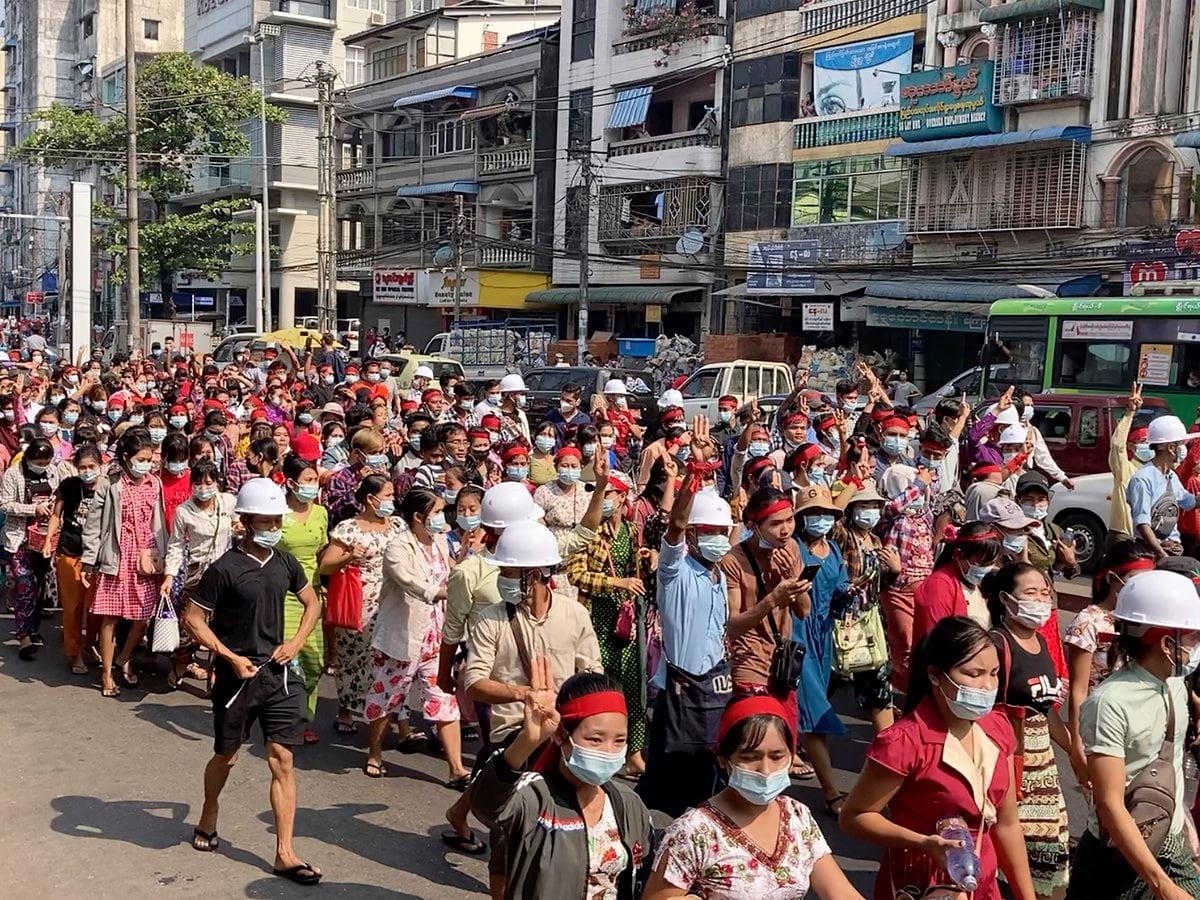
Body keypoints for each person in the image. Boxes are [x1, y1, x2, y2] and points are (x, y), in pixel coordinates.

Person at [182, 478, 323, 885]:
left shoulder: (285, 562)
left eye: (277, 520)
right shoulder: (224, 569)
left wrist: (295, 642)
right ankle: (209, 813)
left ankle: (285, 852)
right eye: (265, 521)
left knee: (283, 758)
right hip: (236, 678)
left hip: (279, 676)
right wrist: (228, 656)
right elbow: (194, 618)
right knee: (227, 756)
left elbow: (312, 602)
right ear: (244, 521)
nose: (273, 527)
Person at [840, 616, 1037, 900]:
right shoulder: (904, 741)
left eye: (994, 673)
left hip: (981, 879)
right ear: (934, 675)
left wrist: (1025, 897)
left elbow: (1007, 823)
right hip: (923, 882)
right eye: (973, 674)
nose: (986, 685)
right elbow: (855, 817)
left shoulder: (998, 727)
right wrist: (922, 842)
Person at [463, 520, 602, 897]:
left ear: (536, 574)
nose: (503, 579)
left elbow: (592, 675)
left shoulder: (575, 615)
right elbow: (473, 681)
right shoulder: (491, 616)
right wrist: (522, 694)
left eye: (509, 572)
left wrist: (563, 706)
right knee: (505, 838)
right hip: (513, 737)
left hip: (564, 738)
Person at [645, 695, 863, 900]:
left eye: (777, 756)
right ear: (723, 759)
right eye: (750, 757)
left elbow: (841, 893)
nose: (765, 769)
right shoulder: (692, 833)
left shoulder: (797, 816)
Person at [1068, 570, 1200, 899]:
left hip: (1169, 844)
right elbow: (1109, 804)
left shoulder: (1174, 683)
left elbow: (1166, 764)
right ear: (1167, 642)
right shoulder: (1109, 703)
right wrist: (1161, 884)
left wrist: (1183, 823)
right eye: (1194, 636)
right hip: (1115, 858)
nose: (1198, 644)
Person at [470, 669, 656, 900]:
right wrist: (527, 741)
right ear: (560, 735)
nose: (609, 751)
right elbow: (485, 805)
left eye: (620, 740)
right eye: (595, 739)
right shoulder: (534, 797)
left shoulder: (629, 805)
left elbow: (645, 877)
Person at [637, 418, 733, 818]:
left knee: (711, 783)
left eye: (723, 531)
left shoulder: (720, 573)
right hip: (682, 693)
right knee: (675, 791)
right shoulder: (675, 570)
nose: (720, 538)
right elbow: (676, 524)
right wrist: (693, 474)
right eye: (710, 531)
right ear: (693, 535)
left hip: (716, 687)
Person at [364, 488, 469, 788]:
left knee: (444, 698)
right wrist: (439, 593)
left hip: (437, 637)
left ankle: (456, 768)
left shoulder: (438, 542)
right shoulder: (398, 547)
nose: (441, 518)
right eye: (436, 513)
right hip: (404, 635)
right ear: (417, 517)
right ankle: (375, 753)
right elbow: (406, 580)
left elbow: (449, 573)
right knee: (388, 696)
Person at [983, 563, 1071, 898]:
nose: (1041, 600)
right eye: (1030, 593)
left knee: (1044, 855)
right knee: (1007, 849)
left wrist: (1075, 757)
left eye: (1045, 592)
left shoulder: (1041, 643)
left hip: (1042, 766)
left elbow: (1047, 712)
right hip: (1009, 761)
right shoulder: (996, 644)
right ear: (1005, 598)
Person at [565, 469, 652, 775]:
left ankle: (634, 752)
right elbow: (576, 574)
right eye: (598, 494)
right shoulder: (590, 531)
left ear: (623, 497)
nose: (601, 500)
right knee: (602, 684)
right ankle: (600, 745)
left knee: (633, 685)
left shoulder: (631, 530)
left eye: (608, 494)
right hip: (598, 618)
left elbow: (638, 578)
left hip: (626, 619)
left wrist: (645, 561)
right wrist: (617, 582)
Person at [82, 427, 167, 697]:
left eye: (151, 458)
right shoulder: (111, 483)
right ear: (127, 457)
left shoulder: (155, 482)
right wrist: (88, 560)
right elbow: (94, 523)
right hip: (117, 556)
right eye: (142, 459)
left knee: (142, 617)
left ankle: (124, 657)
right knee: (110, 618)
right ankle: (107, 673)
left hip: (147, 558)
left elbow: (160, 522)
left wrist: (165, 559)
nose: (147, 463)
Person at [1063, 540, 1155, 786]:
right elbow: (1079, 689)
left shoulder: (1144, 620)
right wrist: (1077, 746)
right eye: (1135, 580)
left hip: (1139, 726)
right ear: (1113, 579)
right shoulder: (1089, 622)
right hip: (1102, 727)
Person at [318, 473, 402, 732]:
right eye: (388, 495)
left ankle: (392, 714)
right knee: (354, 657)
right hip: (359, 602)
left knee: (390, 659)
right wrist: (349, 557)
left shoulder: (398, 525)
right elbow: (326, 565)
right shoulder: (349, 529)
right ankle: (346, 708)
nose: (392, 500)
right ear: (370, 498)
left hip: (393, 602)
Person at [793, 483, 852, 814]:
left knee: (802, 711)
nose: (820, 519)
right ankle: (831, 791)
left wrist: (848, 595)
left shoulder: (834, 549)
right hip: (798, 635)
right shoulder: (793, 549)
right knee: (814, 714)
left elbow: (840, 590)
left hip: (825, 638)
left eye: (825, 514)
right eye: (813, 514)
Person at [831, 483, 899, 733]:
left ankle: (887, 743)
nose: (870, 511)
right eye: (864, 505)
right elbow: (833, 518)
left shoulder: (876, 540)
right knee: (831, 678)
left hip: (870, 619)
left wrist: (894, 569)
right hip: (841, 617)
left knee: (878, 679)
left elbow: (879, 585)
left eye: (874, 506)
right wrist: (852, 481)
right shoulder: (844, 536)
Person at [161, 460, 235, 689]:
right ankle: (181, 664)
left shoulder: (228, 503)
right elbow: (175, 546)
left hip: (225, 572)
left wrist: (239, 526)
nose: (204, 488)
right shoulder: (184, 511)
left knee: (221, 627)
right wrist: (169, 576)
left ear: (217, 483)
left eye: (209, 482)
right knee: (189, 626)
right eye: (199, 483)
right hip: (197, 574)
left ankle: (216, 673)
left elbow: (239, 524)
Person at [276, 454, 329, 741]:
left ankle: (305, 716)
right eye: (308, 481)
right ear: (291, 482)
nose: (313, 486)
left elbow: (322, 552)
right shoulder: (277, 512)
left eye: (315, 480)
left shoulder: (321, 513)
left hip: (312, 594)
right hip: (282, 594)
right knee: (288, 657)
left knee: (314, 661)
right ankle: (286, 717)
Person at [46, 442, 104, 673]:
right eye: (82, 467)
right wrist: (49, 541)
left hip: (99, 556)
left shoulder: (108, 488)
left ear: (101, 465)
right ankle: (74, 652)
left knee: (97, 607)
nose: (87, 471)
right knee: (72, 607)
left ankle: (90, 644)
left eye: (92, 466)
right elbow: (56, 515)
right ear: (75, 467)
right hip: (70, 552)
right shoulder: (69, 486)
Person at [1, 436, 60, 660]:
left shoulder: (53, 472)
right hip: (19, 539)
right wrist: (32, 509)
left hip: (44, 538)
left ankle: (33, 627)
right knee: (25, 586)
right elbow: (4, 503)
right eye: (39, 462)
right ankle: (23, 636)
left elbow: (57, 497)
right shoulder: (13, 474)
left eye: (46, 462)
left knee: (39, 585)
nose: (43, 467)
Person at [912, 523, 1004, 645]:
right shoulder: (939, 587)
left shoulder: (979, 582)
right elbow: (935, 643)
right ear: (958, 555)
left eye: (991, 563)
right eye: (981, 564)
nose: (987, 569)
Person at [1126, 414, 1198, 559]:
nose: (1184, 449)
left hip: (1172, 547)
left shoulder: (1171, 477)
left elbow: (1189, 502)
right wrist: (1162, 555)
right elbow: (1143, 524)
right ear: (1171, 448)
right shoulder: (1143, 479)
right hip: (1152, 553)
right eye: (1181, 444)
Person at [532, 446, 588, 544]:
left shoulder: (587, 490)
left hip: (581, 543)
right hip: (553, 543)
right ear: (556, 467)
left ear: (581, 468)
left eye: (574, 466)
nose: (569, 470)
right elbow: (537, 520)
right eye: (565, 466)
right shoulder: (544, 491)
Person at [528, 421, 558, 486]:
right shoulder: (528, 460)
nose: (546, 438)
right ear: (536, 437)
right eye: (542, 434)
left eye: (550, 435)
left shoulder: (556, 460)